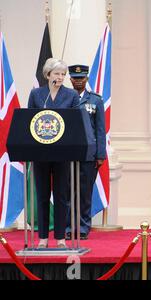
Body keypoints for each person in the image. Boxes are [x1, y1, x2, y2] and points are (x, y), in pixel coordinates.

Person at [28, 58, 79, 248]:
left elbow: (74, 123)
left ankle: (60, 238)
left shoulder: (71, 95)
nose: (60, 77)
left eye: (63, 74)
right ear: (48, 75)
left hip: (63, 153)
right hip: (41, 153)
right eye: (57, 73)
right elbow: (30, 121)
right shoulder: (37, 94)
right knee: (42, 195)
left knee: (61, 196)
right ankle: (42, 238)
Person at [65, 64, 106, 240]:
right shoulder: (64, 99)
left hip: (89, 154)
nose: (78, 81)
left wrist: (100, 154)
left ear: (87, 79)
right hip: (67, 152)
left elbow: (100, 129)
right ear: (70, 79)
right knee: (67, 192)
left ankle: (82, 227)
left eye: (81, 78)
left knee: (84, 192)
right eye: (75, 78)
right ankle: (67, 227)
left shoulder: (95, 100)